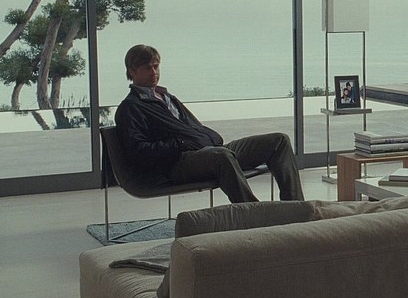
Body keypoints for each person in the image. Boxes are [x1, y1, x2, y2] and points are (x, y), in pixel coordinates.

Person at [114, 44, 304, 203]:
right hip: (178, 162)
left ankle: (296, 208)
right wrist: (179, 144)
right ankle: (254, 214)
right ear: (132, 71)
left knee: (279, 141)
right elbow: (139, 152)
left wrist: (208, 138)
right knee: (222, 156)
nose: (154, 72)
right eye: (148, 68)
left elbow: (194, 128)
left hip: (208, 150)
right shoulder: (130, 108)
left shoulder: (167, 97)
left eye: (156, 66)